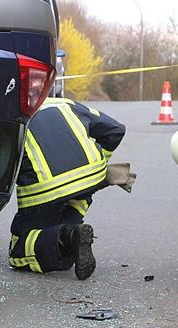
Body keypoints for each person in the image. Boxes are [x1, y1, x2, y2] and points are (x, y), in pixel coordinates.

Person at [8, 97, 128, 279]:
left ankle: (67, 236)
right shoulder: (62, 103)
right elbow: (116, 130)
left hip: (45, 189)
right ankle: (72, 231)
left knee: (18, 252)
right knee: (77, 195)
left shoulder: (9, 116)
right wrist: (101, 160)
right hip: (91, 177)